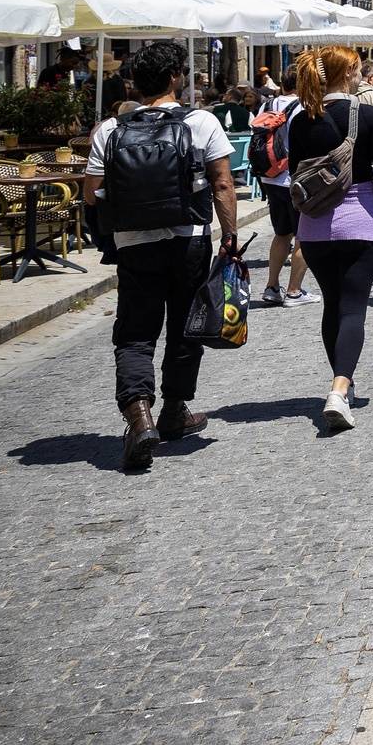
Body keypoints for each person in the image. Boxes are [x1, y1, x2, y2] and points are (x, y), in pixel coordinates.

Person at [84, 41, 240, 472]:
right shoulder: (201, 121)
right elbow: (223, 183)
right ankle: (174, 409)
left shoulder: (110, 130)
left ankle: (139, 416)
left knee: (135, 331)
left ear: (135, 81)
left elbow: (90, 194)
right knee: (187, 327)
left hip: (134, 244)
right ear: (176, 77)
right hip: (189, 238)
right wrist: (229, 236)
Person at [286, 46, 373, 433]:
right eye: (354, 70)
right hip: (357, 222)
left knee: (332, 305)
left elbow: (296, 171)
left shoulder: (300, 120)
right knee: (353, 309)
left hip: (314, 228)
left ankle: (341, 382)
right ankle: (339, 388)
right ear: (347, 73)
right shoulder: (366, 115)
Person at [256, 66, 317, 308]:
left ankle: (272, 286)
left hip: (270, 178)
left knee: (281, 234)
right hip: (295, 179)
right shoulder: (303, 107)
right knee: (304, 236)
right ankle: (294, 291)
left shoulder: (266, 106)